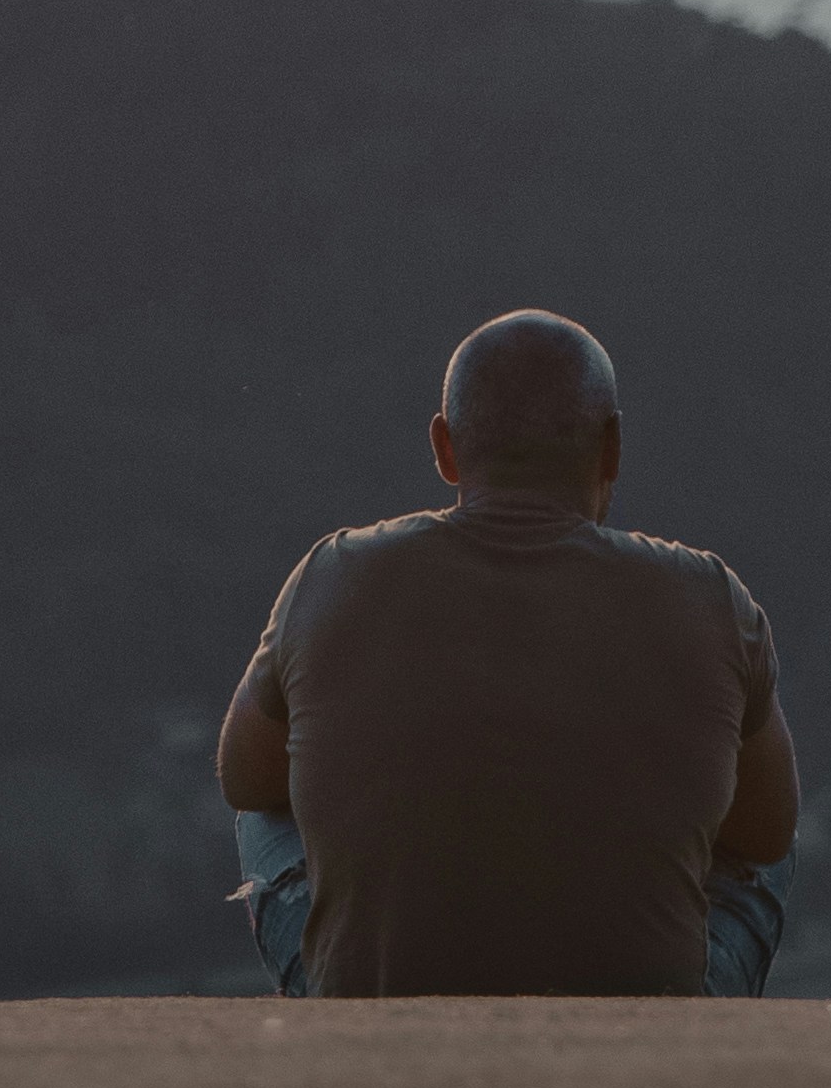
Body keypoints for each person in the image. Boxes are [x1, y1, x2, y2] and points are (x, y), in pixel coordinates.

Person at [217, 309, 799, 997]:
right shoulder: (710, 597)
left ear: (444, 447)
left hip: (375, 1009)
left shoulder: (333, 575)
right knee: (760, 843)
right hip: (646, 1024)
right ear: (611, 446)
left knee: (271, 798)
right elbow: (766, 831)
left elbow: (243, 779)